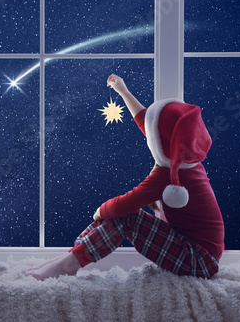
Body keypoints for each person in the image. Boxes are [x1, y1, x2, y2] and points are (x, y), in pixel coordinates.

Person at [25, 74, 225, 280]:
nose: (150, 135)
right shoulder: (184, 158)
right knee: (120, 216)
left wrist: (100, 211)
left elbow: (125, 204)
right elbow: (148, 123)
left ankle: (69, 263)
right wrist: (123, 91)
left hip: (199, 261)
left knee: (126, 217)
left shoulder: (168, 175)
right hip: (195, 251)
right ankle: (68, 259)